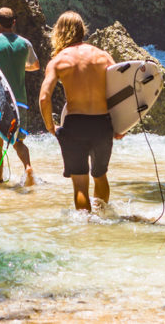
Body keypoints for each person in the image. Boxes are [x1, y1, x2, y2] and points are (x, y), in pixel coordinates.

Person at [39, 11, 120, 212]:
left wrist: (50, 125)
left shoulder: (59, 61)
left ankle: (85, 230)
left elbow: (43, 97)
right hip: (102, 124)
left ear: (58, 32)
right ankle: (103, 220)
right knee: (100, 175)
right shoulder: (103, 56)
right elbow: (120, 91)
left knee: (80, 184)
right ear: (83, 30)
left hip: (75, 125)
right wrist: (122, 125)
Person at [0, 7, 40, 186]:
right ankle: (27, 167)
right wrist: (20, 67)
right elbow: (35, 65)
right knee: (17, 140)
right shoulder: (25, 43)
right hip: (20, 101)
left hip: (0, 101)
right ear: (13, 23)